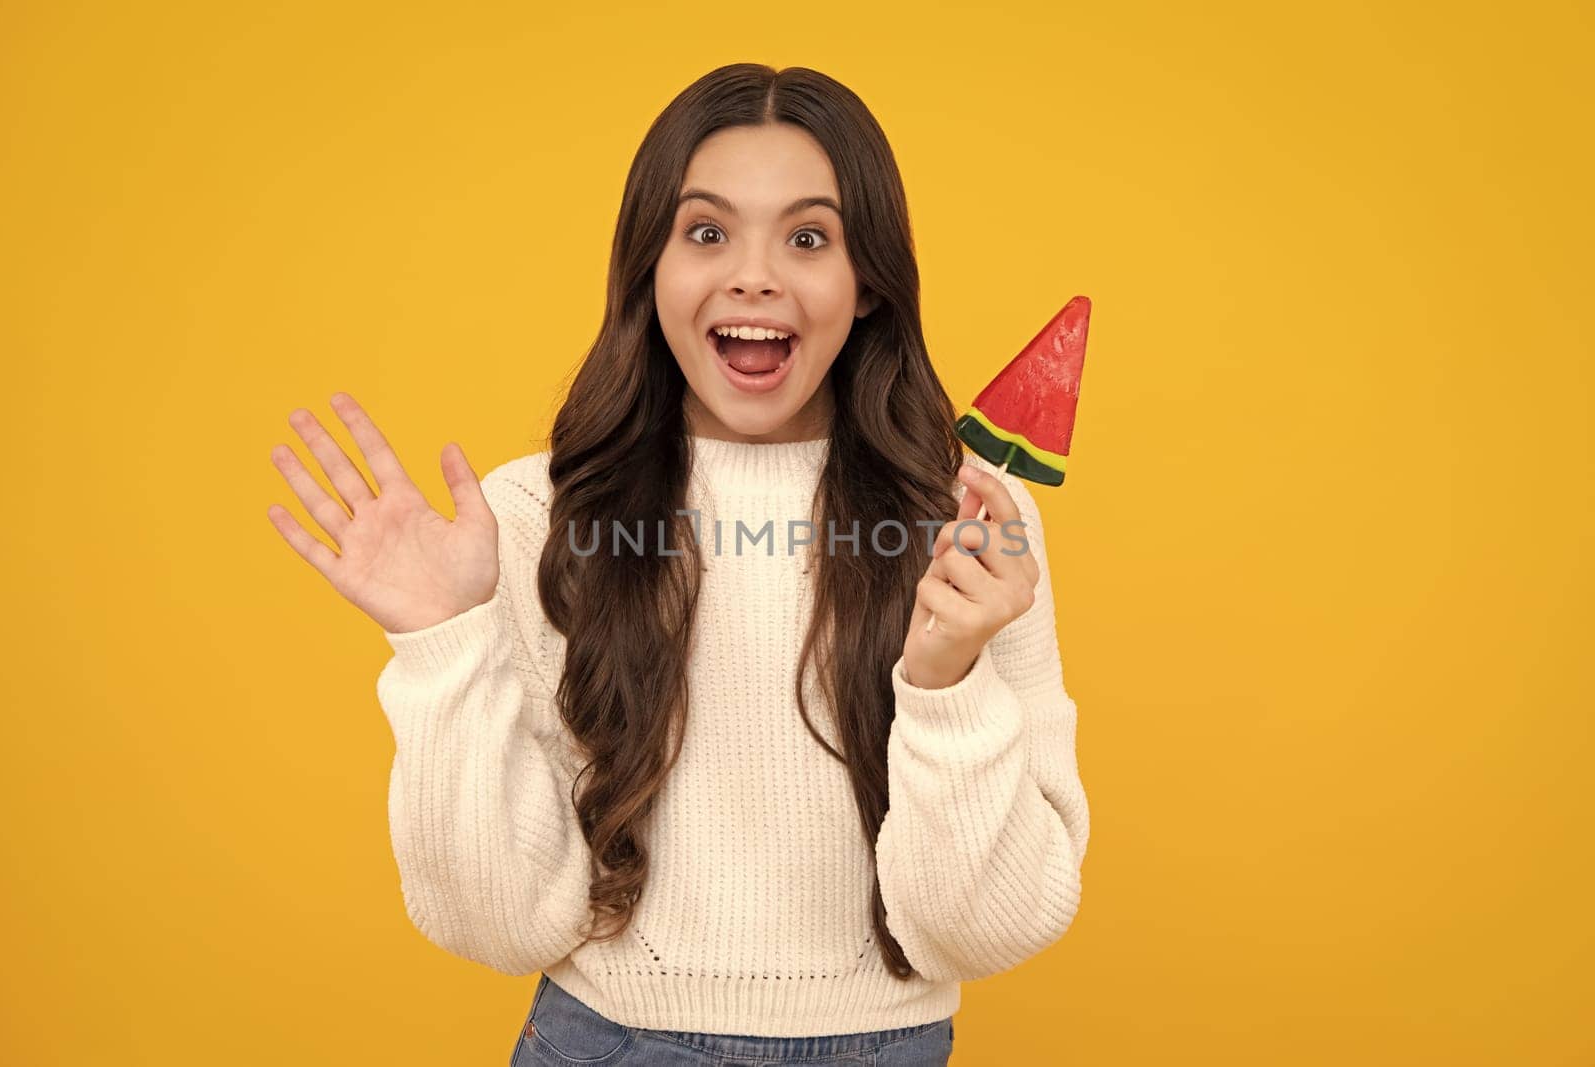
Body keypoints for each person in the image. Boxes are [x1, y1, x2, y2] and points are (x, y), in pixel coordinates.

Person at [265, 63, 1089, 1066]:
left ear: (867, 281)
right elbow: (499, 924)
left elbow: (987, 928)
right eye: (706, 232)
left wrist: (946, 676)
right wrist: (443, 644)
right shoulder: (534, 515)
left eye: (807, 236)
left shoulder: (967, 526)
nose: (753, 275)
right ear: (649, 268)